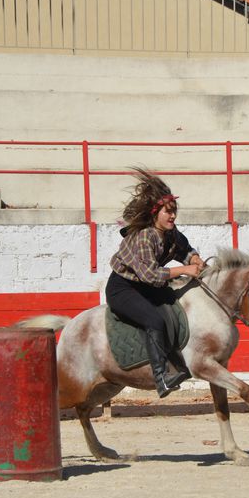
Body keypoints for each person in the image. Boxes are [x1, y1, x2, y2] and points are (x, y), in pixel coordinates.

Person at [106, 169, 205, 398]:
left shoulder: (169, 232)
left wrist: (194, 258)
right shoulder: (143, 236)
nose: (172, 217)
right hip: (124, 289)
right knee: (154, 320)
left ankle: (179, 366)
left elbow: (183, 248)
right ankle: (161, 379)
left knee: (174, 308)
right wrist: (185, 269)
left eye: (174, 212)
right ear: (155, 214)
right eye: (168, 213)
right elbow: (150, 274)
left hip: (147, 287)